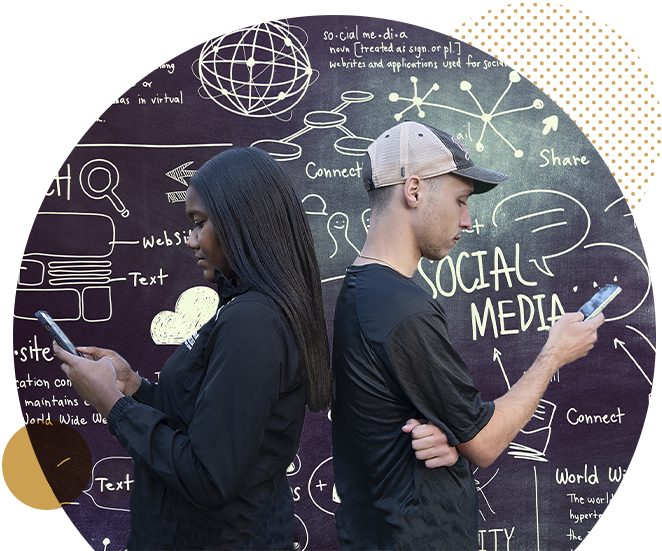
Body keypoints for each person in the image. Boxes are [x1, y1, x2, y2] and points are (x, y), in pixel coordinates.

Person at [331, 121, 604, 550]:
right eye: (460, 200)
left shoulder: (363, 290)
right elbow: (486, 442)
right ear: (415, 190)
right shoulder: (401, 308)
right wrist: (553, 354)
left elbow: (406, 422)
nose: (468, 220)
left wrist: (451, 437)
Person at [54, 147, 334, 550]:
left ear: (243, 223)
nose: (190, 240)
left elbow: (208, 476)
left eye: (199, 223)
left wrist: (113, 405)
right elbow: (205, 422)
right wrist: (134, 388)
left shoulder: (253, 321)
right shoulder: (243, 309)